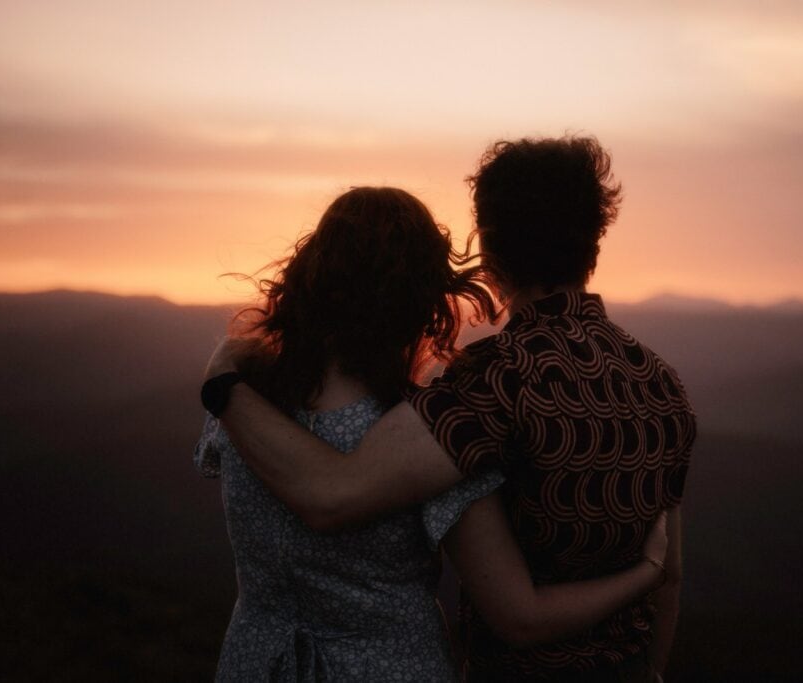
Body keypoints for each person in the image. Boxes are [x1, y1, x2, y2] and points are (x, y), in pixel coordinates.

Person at [197, 186, 674, 682]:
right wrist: (647, 572)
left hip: (255, 663)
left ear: (311, 275)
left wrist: (227, 365)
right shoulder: (432, 434)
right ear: (423, 301)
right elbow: (520, 615)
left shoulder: (240, 410)